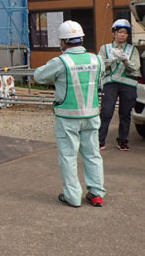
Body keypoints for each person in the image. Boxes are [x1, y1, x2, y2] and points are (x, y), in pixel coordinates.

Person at [34, 20, 105, 208]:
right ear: (81, 39)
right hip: (91, 116)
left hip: (68, 118)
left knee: (68, 156)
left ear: (63, 42)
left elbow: (39, 76)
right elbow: (100, 76)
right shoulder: (95, 59)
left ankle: (73, 197)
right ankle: (97, 194)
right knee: (93, 155)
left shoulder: (61, 61)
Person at [98, 18, 140, 151]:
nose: (122, 35)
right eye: (120, 31)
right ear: (113, 33)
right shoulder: (105, 48)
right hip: (111, 83)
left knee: (125, 113)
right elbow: (100, 65)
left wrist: (125, 60)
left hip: (128, 84)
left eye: (125, 32)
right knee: (106, 111)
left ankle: (123, 140)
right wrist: (112, 59)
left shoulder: (132, 50)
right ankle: (100, 140)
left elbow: (135, 67)